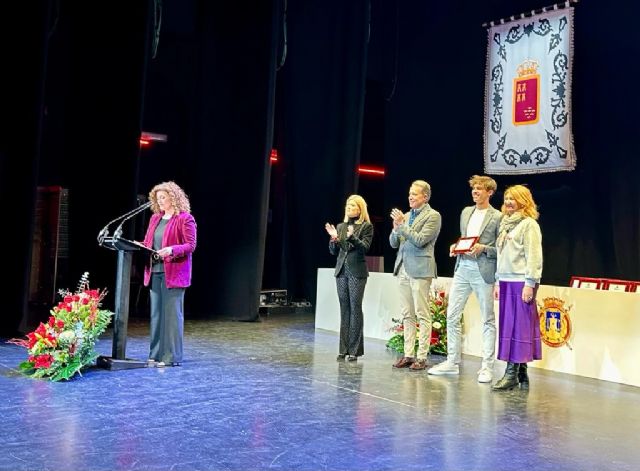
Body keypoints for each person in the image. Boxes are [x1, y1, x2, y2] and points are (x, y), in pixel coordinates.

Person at [427, 175, 502, 383]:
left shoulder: (497, 217)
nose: (475, 192)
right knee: (452, 315)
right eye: (473, 189)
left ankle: (487, 366)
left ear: (490, 192)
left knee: (488, 318)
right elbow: (465, 240)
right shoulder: (466, 212)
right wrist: (456, 246)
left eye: (480, 189)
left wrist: (483, 249)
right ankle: (452, 362)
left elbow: (501, 248)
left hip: (483, 270)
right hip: (462, 268)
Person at [492, 184, 542, 391]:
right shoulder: (505, 224)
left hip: (521, 282)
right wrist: (497, 280)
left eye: (513, 198)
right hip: (505, 282)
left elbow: (534, 256)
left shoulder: (529, 224)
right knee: (509, 327)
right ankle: (521, 372)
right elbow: (501, 256)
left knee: (519, 327)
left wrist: (530, 284)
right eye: (506, 198)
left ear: (524, 200)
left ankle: (511, 373)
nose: (508, 202)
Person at [142, 181, 197, 367]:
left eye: (164, 197)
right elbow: (149, 241)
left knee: (172, 316)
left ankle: (171, 357)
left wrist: (171, 250)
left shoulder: (185, 218)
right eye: (158, 198)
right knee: (156, 315)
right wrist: (140, 245)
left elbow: (191, 245)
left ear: (173, 198)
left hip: (174, 273)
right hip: (155, 270)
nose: (160, 201)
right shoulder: (155, 219)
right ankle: (156, 354)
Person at [389, 180, 442, 371]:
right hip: (402, 268)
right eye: (409, 193)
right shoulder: (406, 216)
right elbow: (394, 243)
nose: (410, 197)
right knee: (406, 314)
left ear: (425, 197)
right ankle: (408, 354)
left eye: (415, 194)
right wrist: (396, 227)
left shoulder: (433, 216)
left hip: (420, 269)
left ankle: (422, 356)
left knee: (422, 314)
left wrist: (402, 226)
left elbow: (420, 241)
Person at [325, 195, 373, 361]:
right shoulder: (341, 226)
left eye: (353, 205)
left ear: (360, 209)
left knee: (355, 308)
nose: (349, 207)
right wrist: (334, 239)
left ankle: (354, 350)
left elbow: (364, 248)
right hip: (341, 271)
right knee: (344, 309)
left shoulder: (366, 227)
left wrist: (352, 237)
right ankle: (343, 348)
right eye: (347, 205)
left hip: (357, 272)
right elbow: (335, 251)